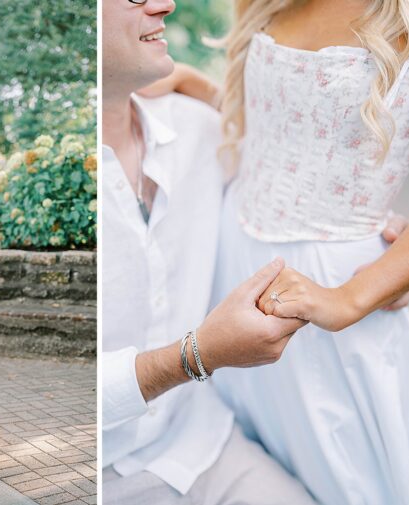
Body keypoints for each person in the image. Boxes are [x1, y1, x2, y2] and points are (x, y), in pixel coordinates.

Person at [148, 1, 409, 502]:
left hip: (334, 299)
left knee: (352, 482)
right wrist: (196, 83)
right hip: (232, 274)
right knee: (252, 468)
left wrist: (349, 299)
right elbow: (287, 122)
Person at [103, 1, 328, 503]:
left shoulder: (198, 130)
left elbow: (301, 193)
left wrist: (374, 252)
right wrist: (197, 355)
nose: (165, 3)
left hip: (206, 445)